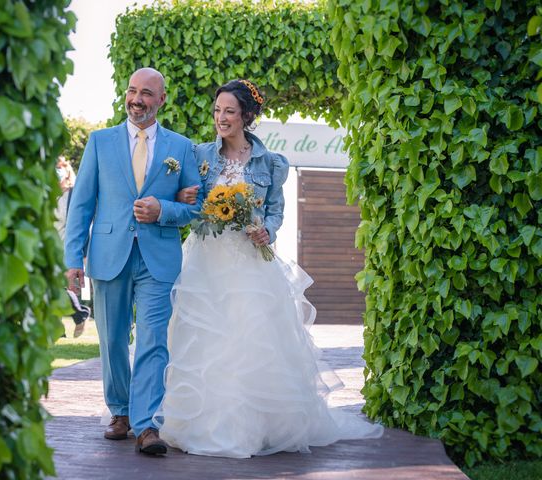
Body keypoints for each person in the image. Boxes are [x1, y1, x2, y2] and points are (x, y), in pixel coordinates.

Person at [153, 79, 383, 458]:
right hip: (205, 263)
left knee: (248, 343)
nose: (221, 118)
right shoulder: (198, 156)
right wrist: (181, 196)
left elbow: (275, 210)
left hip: (249, 268)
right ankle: (197, 424)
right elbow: (187, 200)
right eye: (217, 110)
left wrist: (268, 230)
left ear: (246, 116)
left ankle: (254, 428)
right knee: (203, 341)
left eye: (229, 111)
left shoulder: (272, 163)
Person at [64, 67, 202, 455]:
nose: (136, 99)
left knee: (154, 340)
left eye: (146, 93)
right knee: (111, 339)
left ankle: (147, 424)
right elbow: (82, 205)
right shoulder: (99, 142)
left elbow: (195, 206)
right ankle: (121, 411)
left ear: (162, 100)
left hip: (158, 258)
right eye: (132, 91)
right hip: (109, 254)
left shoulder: (181, 147)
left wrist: (164, 210)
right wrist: (73, 257)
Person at [54, 156, 90, 338]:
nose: (57, 171)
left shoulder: (73, 195)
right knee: (52, 289)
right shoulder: (49, 194)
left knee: (62, 289)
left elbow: (80, 225)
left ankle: (80, 313)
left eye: (61, 168)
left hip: (66, 250)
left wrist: (81, 254)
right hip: (50, 250)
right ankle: (59, 328)